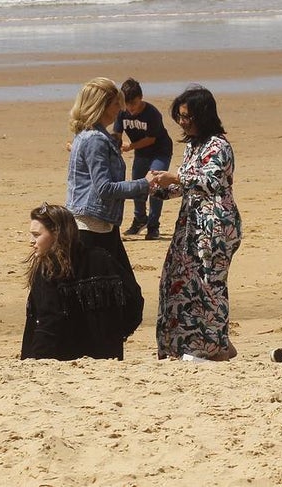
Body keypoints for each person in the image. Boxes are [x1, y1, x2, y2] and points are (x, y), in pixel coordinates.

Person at [152, 85, 242, 361]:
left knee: (209, 285)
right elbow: (186, 185)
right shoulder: (193, 146)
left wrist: (175, 177)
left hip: (215, 227)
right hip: (191, 225)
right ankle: (185, 345)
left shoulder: (219, 145)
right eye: (179, 117)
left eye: (187, 117)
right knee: (180, 282)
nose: (183, 122)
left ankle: (217, 347)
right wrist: (158, 187)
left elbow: (210, 181)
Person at [66, 77, 149, 331]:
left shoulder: (92, 136)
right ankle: (101, 343)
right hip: (91, 227)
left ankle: (104, 342)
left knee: (122, 297)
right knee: (117, 298)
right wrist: (145, 184)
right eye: (115, 105)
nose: (120, 110)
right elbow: (104, 189)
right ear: (101, 106)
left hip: (103, 225)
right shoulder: (94, 139)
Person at [21, 203, 143, 360]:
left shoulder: (49, 270)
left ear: (56, 233)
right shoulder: (103, 258)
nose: (31, 241)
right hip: (106, 356)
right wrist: (115, 336)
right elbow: (134, 301)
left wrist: (37, 359)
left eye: (36, 235)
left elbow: (48, 321)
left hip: (62, 359)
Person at [115, 78, 173, 240]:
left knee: (155, 184)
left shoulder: (152, 113)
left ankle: (153, 226)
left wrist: (130, 146)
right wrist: (115, 147)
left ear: (141, 98)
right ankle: (140, 219)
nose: (130, 108)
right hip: (141, 153)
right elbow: (117, 135)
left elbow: (151, 139)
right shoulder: (122, 112)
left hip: (160, 151)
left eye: (133, 103)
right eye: (127, 104)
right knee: (138, 186)